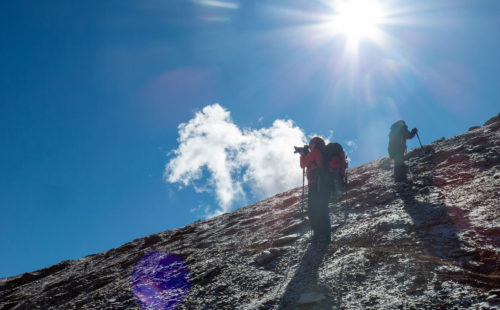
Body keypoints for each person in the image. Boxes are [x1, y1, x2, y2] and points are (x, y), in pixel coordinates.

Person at [299, 137, 331, 244]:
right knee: (323, 209)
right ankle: (326, 235)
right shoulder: (320, 152)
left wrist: (303, 154)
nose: (309, 145)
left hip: (316, 184)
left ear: (315, 144)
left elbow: (303, 164)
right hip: (323, 184)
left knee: (313, 208)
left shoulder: (315, 152)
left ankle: (319, 235)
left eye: (311, 143)